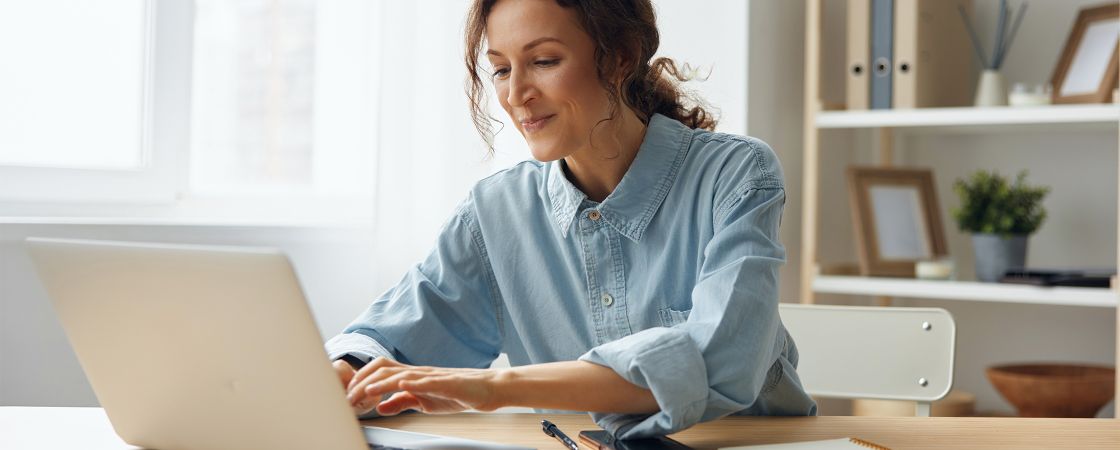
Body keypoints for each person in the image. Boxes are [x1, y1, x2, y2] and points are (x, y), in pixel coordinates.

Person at [327, 0, 816, 438]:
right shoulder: (496, 211)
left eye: (543, 61)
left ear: (621, 55)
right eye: (500, 69)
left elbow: (722, 360)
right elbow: (394, 337)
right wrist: (346, 373)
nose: (516, 93)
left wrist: (493, 388)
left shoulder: (735, 174)